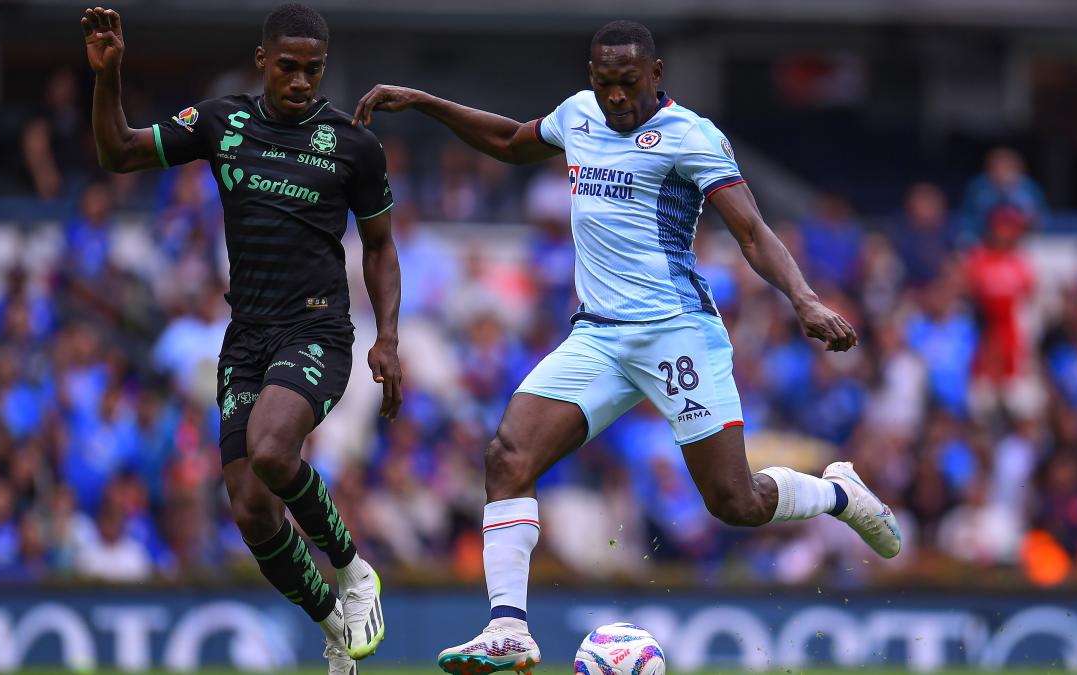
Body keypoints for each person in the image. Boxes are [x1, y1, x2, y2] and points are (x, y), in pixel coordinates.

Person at [354, 20, 901, 675]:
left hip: (677, 334)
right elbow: (507, 140)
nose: (615, 96)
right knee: (508, 453)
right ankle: (508, 628)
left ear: (656, 74)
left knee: (735, 501)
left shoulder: (691, 137)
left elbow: (752, 232)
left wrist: (805, 299)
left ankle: (837, 494)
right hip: (599, 337)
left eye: (629, 83)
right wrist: (424, 101)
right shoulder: (577, 115)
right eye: (604, 82)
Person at [82, 5, 396, 672]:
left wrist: (387, 336)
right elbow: (119, 152)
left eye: (313, 69)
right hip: (247, 336)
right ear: (262, 61)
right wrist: (108, 77)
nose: (301, 80)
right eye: (288, 66)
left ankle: (352, 567)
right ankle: (333, 626)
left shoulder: (353, 146)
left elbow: (380, 247)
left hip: (317, 330)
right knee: (251, 509)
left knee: (273, 453)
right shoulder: (223, 123)